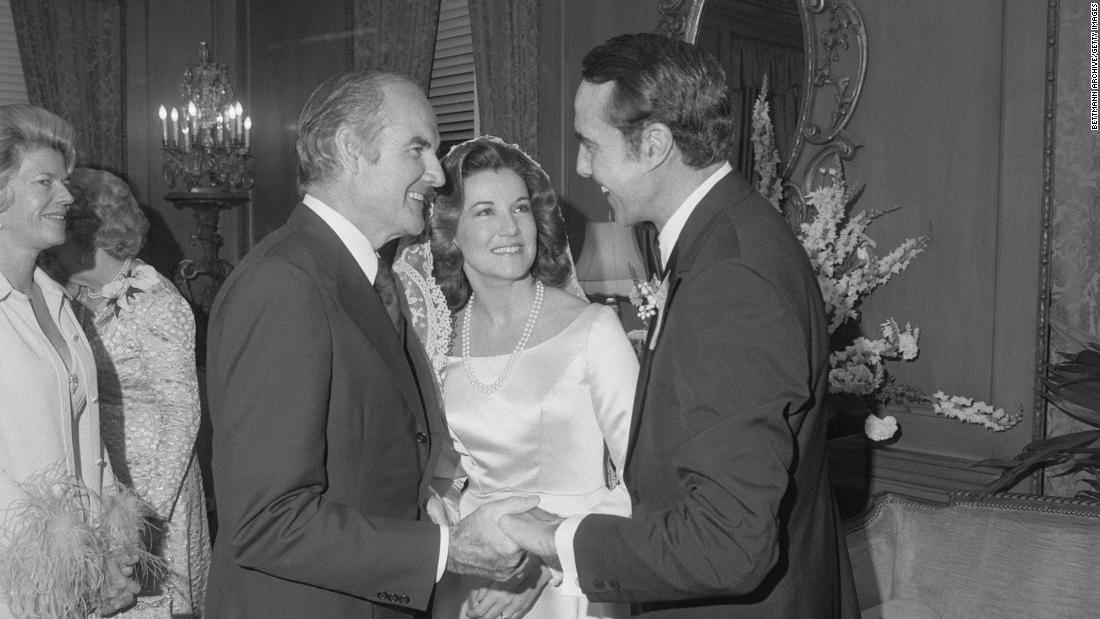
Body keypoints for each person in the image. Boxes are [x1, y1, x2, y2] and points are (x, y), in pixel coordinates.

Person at [500, 33, 859, 617]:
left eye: (591, 144)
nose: (583, 167)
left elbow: (727, 546)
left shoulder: (731, 278)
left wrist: (554, 537)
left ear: (654, 144)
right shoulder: (727, 236)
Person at [204, 71, 535, 618]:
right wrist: (449, 551)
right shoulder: (283, 284)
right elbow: (265, 524)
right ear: (349, 151)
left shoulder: (360, 277)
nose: (436, 174)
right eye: (417, 149)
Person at [395, 136, 637, 619]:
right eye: (485, 211)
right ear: (449, 231)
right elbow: (442, 476)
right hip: (472, 579)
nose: (510, 227)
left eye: (520, 208)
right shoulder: (439, 339)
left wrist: (546, 559)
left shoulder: (594, 331)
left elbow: (645, 481)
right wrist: (449, 526)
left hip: (569, 578)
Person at [41, 167, 211, 617]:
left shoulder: (158, 303)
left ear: (88, 237)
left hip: (153, 484)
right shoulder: (70, 296)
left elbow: (182, 414)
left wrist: (145, 516)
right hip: (98, 478)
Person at [0, 104, 139, 617]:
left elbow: (89, 444)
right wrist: (73, 566)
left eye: (64, 181)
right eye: (45, 182)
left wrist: (110, 550)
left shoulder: (58, 302)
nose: (66, 195)